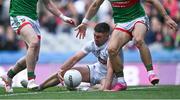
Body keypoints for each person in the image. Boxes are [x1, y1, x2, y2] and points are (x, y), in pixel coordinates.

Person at [75, 0, 177, 91]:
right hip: (122, 23)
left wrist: (166, 18)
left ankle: (151, 72)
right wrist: (84, 22)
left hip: (138, 18)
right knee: (111, 49)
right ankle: (121, 81)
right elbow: (95, 4)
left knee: (138, 40)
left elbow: (154, 1)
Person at [0, 0, 75, 93]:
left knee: (34, 58)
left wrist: (62, 17)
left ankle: (8, 76)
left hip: (33, 19)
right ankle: (31, 80)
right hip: (18, 15)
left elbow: (48, 3)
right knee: (34, 41)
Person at [23, 22, 124, 91]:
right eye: (94, 35)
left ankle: (84, 88)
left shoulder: (112, 47)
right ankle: (39, 87)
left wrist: (106, 88)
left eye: (99, 37)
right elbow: (75, 58)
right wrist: (61, 70)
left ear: (107, 36)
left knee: (103, 88)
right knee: (66, 72)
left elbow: (110, 69)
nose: (96, 39)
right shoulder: (92, 43)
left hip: (110, 76)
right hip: (95, 70)